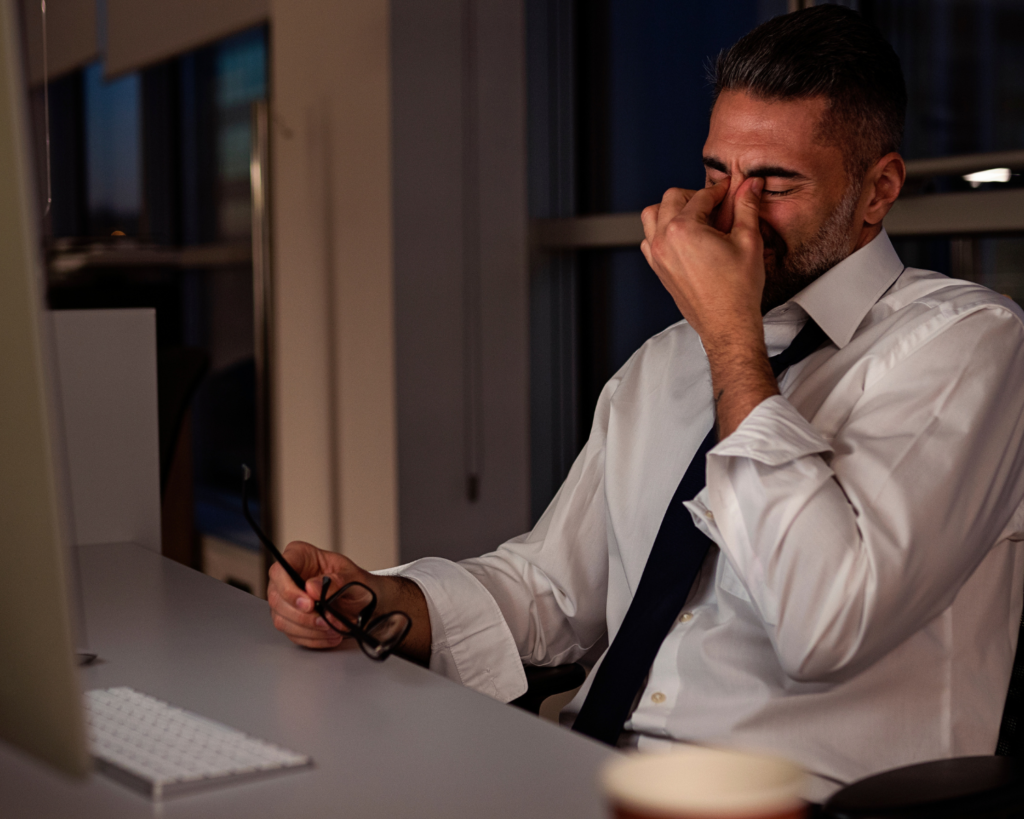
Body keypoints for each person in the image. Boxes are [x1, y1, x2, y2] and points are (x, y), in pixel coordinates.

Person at [266, 5, 1024, 800]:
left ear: (879, 191)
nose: (733, 212)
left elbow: (824, 624)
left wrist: (730, 337)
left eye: (774, 182)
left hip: (787, 801)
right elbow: (553, 590)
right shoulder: (664, 363)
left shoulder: (966, 343)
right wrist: (381, 599)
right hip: (588, 775)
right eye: (716, 172)